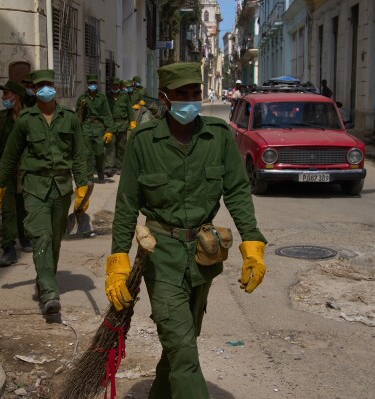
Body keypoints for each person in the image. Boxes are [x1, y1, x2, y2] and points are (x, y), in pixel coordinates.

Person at [104, 62, 267, 398]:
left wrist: (252, 242)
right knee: (183, 349)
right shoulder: (143, 141)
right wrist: (118, 259)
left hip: (203, 255)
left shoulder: (218, 136)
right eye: (182, 95)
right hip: (160, 255)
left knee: (183, 341)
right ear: (164, 97)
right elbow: (126, 204)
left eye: (196, 93)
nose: (190, 101)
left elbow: (237, 190)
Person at [0, 69, 89, 315]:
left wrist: (84, 187)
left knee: (54, 241)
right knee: (41, 237)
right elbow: (10, 155)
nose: (45, 89)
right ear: (33, 90)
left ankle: (45, 279)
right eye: (40, 86)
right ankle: (49, 292)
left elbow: (79, 155)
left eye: (49, 84)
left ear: (55, 86)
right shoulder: (25, 120)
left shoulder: (69, 118)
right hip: (34, 186)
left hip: (62, 188)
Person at [0, 80, 33, 267]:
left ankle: (25, 237)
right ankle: (9, 248)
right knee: (8, 209)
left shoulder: (31, 117)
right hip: (7, 171)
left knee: (25, 207)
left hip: (28, 170)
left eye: (6, 94)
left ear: (16, 96)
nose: (3, 98)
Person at [76, 74, 114, 182]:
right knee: (87, 153)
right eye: (90, 83)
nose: (92, 85)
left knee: (99, 152)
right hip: (86, 127)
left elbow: (107, 114)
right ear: (87, 84)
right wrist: (81, 107)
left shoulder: (102, 98)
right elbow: (77, 116)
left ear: (96, 84)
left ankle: (100, 170)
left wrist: (109, 130)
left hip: (98, 127)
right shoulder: (82, 98)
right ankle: (89, 176)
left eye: (94, 83)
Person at [106, 77, 135, 177]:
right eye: (113, 85)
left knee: (121, 147)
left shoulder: (124, 96)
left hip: (122, 124)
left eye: (116, 85)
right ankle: (109, 167)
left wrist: (132, 121)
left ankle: (119, 166)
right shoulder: (107, 97)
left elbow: (129, 110)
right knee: (110, 146)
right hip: (111, 124)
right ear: (110, 86)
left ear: (119, 86)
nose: (115, 87)